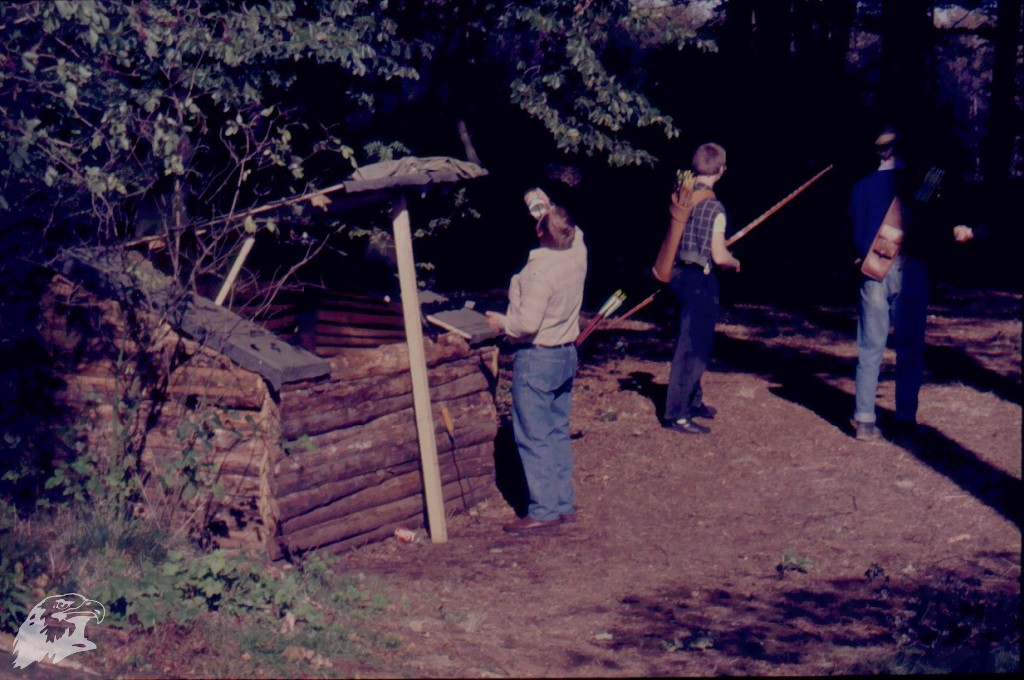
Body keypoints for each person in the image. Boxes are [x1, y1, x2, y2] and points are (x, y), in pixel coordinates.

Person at [849, 125, 976, 441]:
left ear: (877, 152)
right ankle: (905, 417)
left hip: (873, 272)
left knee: (870, 347)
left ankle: (864, 419)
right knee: (910, 348)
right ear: (902, 150)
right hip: (912, 272)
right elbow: (940, 216)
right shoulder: (923, 182)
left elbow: (851, 234)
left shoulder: (860, 187)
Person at [485, 194, 588, 532]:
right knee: (557, 431)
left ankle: (543, 512)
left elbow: (527, 324)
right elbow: (577, 232)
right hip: (566, 355)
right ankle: (562, 503)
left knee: (533, 436)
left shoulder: (540, 272)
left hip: (538, 358)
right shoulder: (577, 253)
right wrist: (547, 209)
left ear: (541, 233)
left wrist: (501, 323)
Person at [662, 142, 741, 435]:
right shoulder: (715, 207)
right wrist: (735, 263)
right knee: (692, 348)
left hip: (678, 274)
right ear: (721, 171)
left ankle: (693, 400)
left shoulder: (682, 194)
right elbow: (719, 257)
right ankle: (677, 414)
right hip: (700, 281)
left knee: (693, 341)